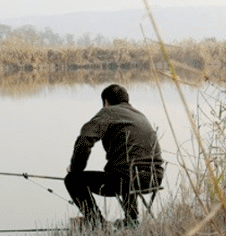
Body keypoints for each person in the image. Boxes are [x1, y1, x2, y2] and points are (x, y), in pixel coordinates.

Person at [64, 83, 164, 227]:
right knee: (125, 170)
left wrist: (75, 169)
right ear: (127, 101)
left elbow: (84, 140)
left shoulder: (108, 112)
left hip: (127, 179)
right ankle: (131, 220)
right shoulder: (140, 115)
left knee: (73, 180)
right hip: (154, 178)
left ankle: (98, 225)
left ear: (105, 102)